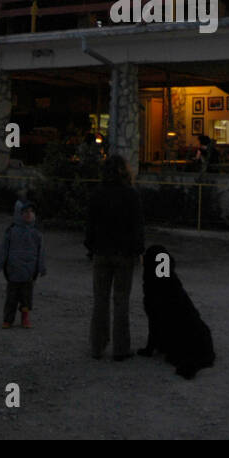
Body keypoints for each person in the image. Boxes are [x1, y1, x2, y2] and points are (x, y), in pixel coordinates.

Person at [85, 154, 145, 360]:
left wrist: (91, 247)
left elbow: (90, 225)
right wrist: (138, 251)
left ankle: (97, 346)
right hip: (124, 254)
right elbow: (137, 226)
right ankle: (121, 348)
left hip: (101, 252)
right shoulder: (131, 194)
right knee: (121, 301)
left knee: (100, 300)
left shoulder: (97, 194)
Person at [0, 199, 47, 329]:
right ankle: (8, 319)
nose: (29, 214)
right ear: (18, 214)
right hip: (13, 271)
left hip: (29, 272)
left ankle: (25, 317)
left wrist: (41, 267)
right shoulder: (11, 231)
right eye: (25, 212)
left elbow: (41, 252)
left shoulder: (36, 233)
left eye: (31, 211)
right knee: (11, 298)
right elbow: (3, 250)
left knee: (26, 298)